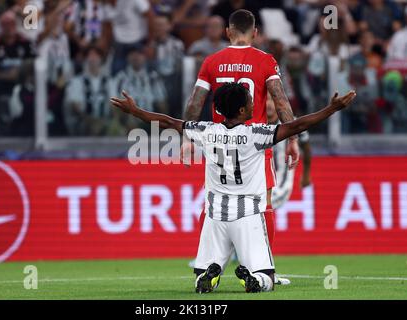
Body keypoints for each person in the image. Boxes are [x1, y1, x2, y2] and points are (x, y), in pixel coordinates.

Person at [111, 83, 357, 293]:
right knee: (267, 279)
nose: (254, 104)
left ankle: (209, 275)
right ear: (241, 110)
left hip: (215, 215)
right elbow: (296, 126)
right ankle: (253, 279)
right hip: (248, 215)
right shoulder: (256, 134)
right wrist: (332, 108)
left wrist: (135, 111)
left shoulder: (206, 130)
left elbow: (166, 122)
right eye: (250, 101)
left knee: (200, 280)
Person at [182, 9, 300, 285]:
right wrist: (293, 139)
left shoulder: (212, 61)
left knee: (213, 203)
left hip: (218, 142)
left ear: (228, 32)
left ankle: (208, 267)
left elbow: (195, 102)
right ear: (255, 33)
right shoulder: (265, 61)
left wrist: (187, 138)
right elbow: (281, 101)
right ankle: (262, 268)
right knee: (263, 206)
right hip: (254, 144)